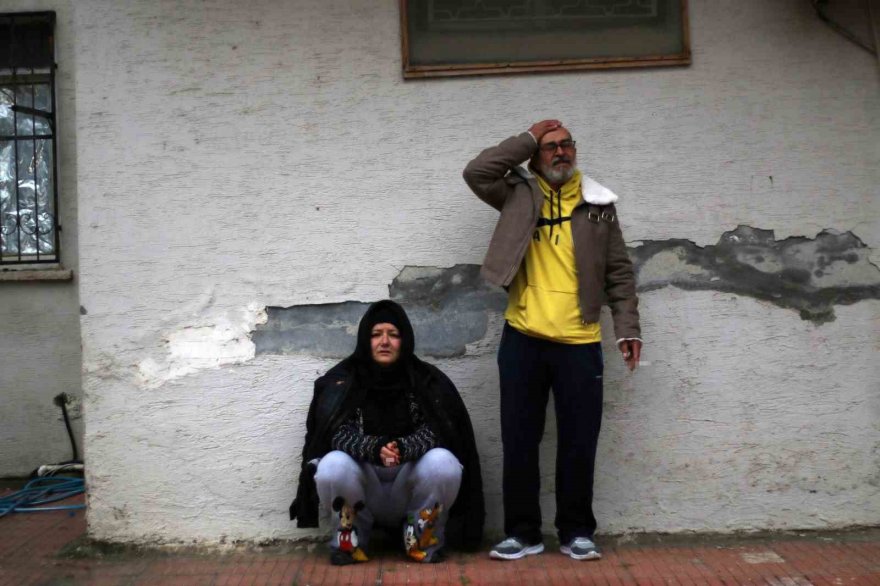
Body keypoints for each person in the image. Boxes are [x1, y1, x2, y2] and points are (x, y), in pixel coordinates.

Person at [463, 120, 642, 561]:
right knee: (519, 440)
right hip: (523, 337)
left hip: (580, 341)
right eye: (550, 147)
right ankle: (522, 533)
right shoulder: (517, 194)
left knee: (580, 441)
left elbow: (618, 271)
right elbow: (476, 172)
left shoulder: (598, 204)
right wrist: (526, 137)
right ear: (534, 156)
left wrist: (628, 327)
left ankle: (576, 531)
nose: (561, 152)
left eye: (566, 145)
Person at [289, 300, 484, 565]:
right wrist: (373, 448)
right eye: (376, 334)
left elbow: (439, 432)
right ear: (365, 339)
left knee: (443, 462)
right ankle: (351, 541)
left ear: (405, 340)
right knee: (332, 465)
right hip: (363, 489)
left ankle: (420, 540)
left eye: (393, 334)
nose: (384, 342)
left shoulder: (426, 381)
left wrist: (403, 448)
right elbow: (334, 435)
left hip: (410, 486)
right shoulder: (343, 380)